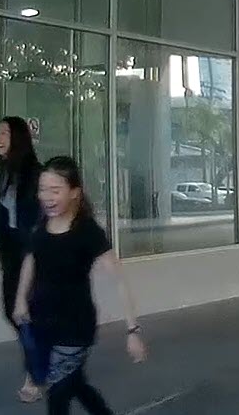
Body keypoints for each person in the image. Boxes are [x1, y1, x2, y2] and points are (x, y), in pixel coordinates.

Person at [13, 156, 147, 415]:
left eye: (55, 190)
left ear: (74, 192)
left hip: (74, 327)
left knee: (58, 397)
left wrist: (132, 330)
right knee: (75, 384)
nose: (46, 197)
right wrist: (20, 299)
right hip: (42, 322)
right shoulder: (42, 225)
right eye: (42, 189)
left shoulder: (87, 232)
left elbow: (118, 280)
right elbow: (31, 259)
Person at [0, 116, 43, 402]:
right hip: (11, 252)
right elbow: (1, 218)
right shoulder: (3, 173)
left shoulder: (34, 174)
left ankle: (34, 374)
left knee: (23, 312)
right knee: (12, 311)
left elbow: (39, 219)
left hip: (31, 253)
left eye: (5, 133)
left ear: (18, 138)